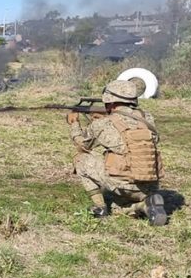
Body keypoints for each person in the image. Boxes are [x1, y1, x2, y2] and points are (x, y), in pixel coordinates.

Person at [68, 79, 167, 225]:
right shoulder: (147, 118)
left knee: (81, 159)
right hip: (150, 186)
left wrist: (74, 124)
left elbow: (83, 145)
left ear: (110, 102)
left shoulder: (102, 124)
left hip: (123, 185)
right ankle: (143, 204)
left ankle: (100, 208)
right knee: (118, 206)